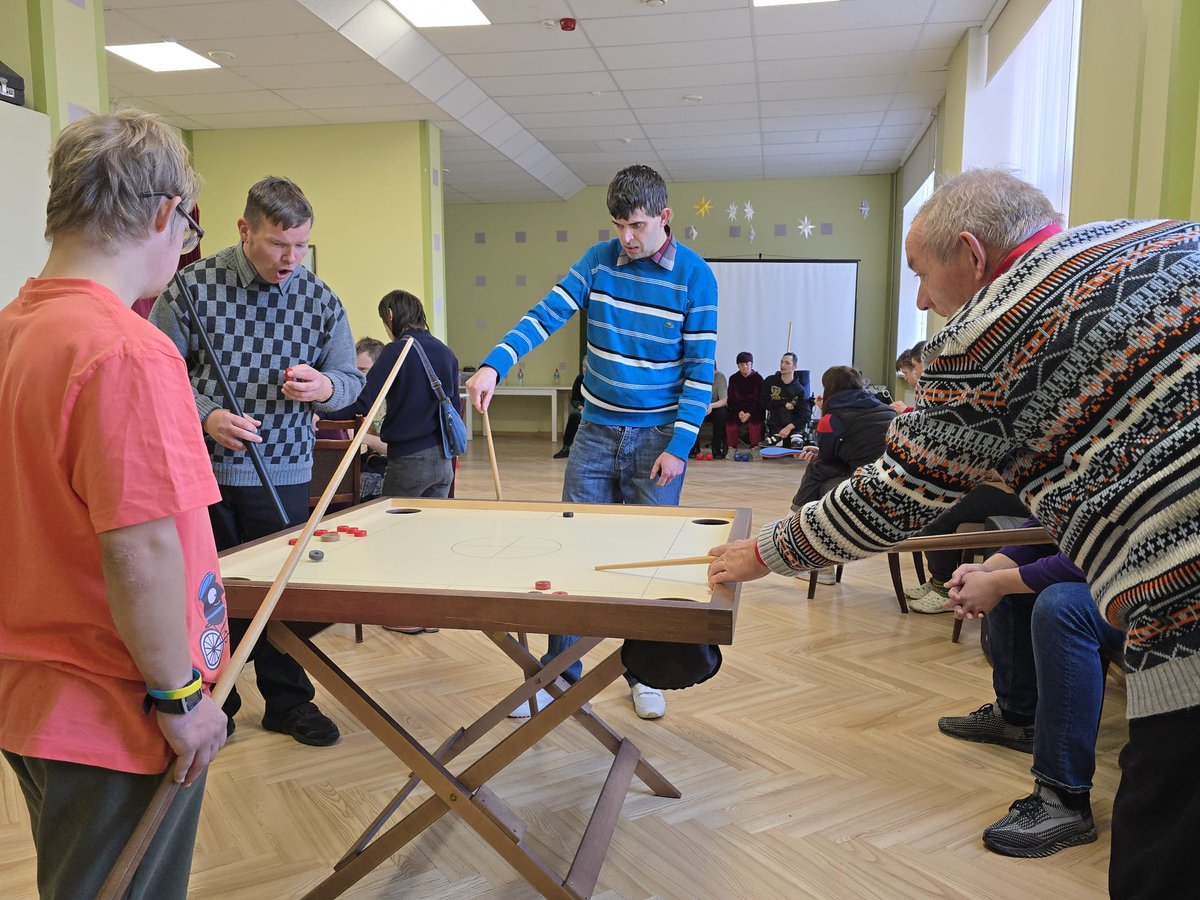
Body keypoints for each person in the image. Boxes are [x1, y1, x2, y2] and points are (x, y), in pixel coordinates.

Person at [707, 168, 1200, 898]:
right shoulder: (1162, 236)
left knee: (1160, 863)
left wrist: (763, 552)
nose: (920, 300)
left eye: (920, 272)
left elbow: (888, 500)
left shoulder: (984, 340)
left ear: (971, 253)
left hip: (1187, 616)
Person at [0, 109, 229, 899]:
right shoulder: (126, 348)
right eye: (189, 230)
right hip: (113, 708)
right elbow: (140, 548)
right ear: (165, 214)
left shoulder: (14, 329)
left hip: (31, 693)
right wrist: (180, 696)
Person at [466, 164, 717, 720]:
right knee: (571, 552)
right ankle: (557, 678)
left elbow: (700, 370)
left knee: (649, 562)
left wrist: (679, 446)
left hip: (657, 438)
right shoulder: (598, 261)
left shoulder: (696, 277)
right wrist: (494, 365)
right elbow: (546, 314)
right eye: (618, 226)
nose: (626, 238)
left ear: (665, 218)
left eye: (637, 226)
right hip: (596, 431)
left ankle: (645, 673)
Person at [151, 176, 364, 748]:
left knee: (279, 594)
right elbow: (157, 374)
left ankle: (288, 703)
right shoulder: (191, 287)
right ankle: (216, 700)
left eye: (301, 245)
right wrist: (207, 416)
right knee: (208, 594)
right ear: (245, 229)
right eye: (277, 244)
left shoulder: (321, 300)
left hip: (286, 472)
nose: (291, 259)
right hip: (203, 474)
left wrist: (325, 387)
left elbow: (350, 381)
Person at [936, 534, 1124, 857]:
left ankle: (1064, 798)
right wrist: (987, 572)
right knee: (1014, 579)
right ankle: (1018, 717)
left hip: (1171, 589)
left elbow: (1103, 552)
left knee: (1061, 607)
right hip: (1128, 573)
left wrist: (996, 583)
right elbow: (1052, 525)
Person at [790, 366, 894, 583]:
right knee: (820, 469)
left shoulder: (832, 417)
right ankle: (801, 524)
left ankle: (797, 524)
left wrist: (824, 417)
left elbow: (828, 456)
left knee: (817, 472)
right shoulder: (886, 409)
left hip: (862, 482)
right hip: (891, 482)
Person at [761, 352, 811, 448]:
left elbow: (806, 415)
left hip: (793, 427)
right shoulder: (770, 381)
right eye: (781, 362)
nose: (783, 365)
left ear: (794, 367)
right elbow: (764, 403)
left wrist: (788, 428)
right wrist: (783, 403)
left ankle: (793, 439)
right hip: (775, 425)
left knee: (793, 447)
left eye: (787, 363)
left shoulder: (800, 390)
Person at [725, 351, 764, 454]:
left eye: (747, 364)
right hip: (737, 410)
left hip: (754, 410)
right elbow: (731, 399)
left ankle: (755, 449)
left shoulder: (758, 378)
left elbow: (759, 400)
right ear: (738, 366)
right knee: (731, 425)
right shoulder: (733, 378)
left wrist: (749, 413)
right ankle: (731, 448)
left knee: (755, 425)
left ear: (751, 364)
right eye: (742, 364)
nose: (745, 366)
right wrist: (739, 412)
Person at [692, 367, 729, 458]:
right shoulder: (695, 376)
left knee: (722, 412)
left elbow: (724, 400)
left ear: (715, 371)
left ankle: (716, 448)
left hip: (714, 406)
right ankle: (694, 449)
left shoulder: (720, 377)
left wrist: (711, 406)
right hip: (699, 406)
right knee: (691, 413)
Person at [554, 360, 586, 459]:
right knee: (575, 415)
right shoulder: (579, 379)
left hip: (595, 409)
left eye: (587, 367)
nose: (585, 369)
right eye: (584, 366)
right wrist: (580, 407)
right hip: (582, 408)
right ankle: (566, 447)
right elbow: (574, 399)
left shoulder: (598, 381)